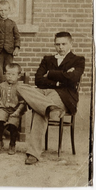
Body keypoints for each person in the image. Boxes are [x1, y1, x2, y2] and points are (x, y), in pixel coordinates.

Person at [15, 32, 85, 165]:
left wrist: (51, 74)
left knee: (38, 111)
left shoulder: (78, 60)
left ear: (71, 43)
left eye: (64, 44)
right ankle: (50, 108)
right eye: (57, 44)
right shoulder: (47, 59)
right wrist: (61, 79)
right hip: (43, 93)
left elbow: (73, 79)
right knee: (20, 87)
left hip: (64, 96)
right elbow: (38, 80)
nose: (60, 47)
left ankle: (33, 154)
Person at [0, 63, 26, 155]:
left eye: (13, 74)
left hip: (15, 110)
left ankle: (12, 144)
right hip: (3, 108)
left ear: (18, 75)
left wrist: (18, 111)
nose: (10, 77)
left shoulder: (20, 87)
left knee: (13, 125)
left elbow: (23, 102)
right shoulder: (1, 85)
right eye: (8, 74)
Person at [0, 0, 21, 71]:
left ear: (9, 10)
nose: (3, 12)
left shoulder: (12, 23)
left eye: (5, 10)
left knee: (8, 68)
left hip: (9, 51)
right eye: (1, 10)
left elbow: (17, 37)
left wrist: (16, 48)